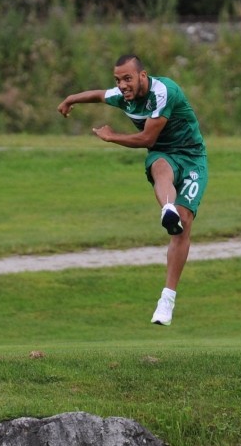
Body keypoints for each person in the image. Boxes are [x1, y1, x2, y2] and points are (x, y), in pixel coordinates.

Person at [57, 54, 208, 326]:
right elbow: (98, 95)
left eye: (128, 78)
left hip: (193, 157)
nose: (122, 85)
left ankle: (167, 298)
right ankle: (167, 209)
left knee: (185, 224)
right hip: (163, 154)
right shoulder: (122, 95)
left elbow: (147, 138)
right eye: (118, 80)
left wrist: (111, 136)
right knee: (160, 166)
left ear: (142, 75)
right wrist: (71, 99)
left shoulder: (164, 91)